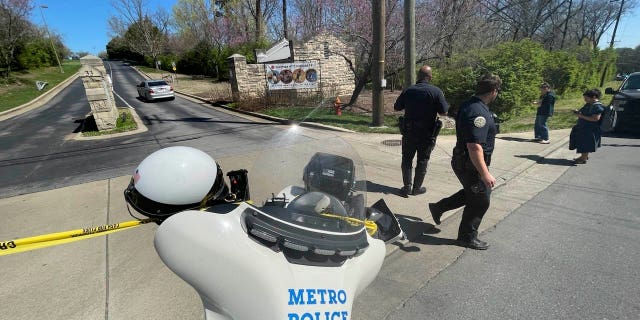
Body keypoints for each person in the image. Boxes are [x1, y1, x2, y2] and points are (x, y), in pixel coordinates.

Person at [428, 74, 502, 250]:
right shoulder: (478, 112)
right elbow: (474, 146)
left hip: (466, 161)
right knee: (481, 200)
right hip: (470, 163)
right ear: (493, 91)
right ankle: (466, 237)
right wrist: (485, 173)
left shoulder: (471, 104)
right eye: (497, 91)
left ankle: (439, 207)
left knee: (474, 192)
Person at [394, 65, 449, 197]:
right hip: (427, 133)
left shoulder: (409, 90)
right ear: (429, 77)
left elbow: (397, 107)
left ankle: (407, 187)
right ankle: (417, 188)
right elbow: (444, 112)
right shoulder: (436, 91)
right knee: (423, 160)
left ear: (418, 76)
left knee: (407, 159)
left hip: (409, 132)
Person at [571, 89, 605, 164]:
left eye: (586, 98)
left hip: (590, 129)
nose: (585, 100)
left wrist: (580, 116)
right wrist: (578, 112)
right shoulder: (589, 104)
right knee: (583, 142)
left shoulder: (597, 106)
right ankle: (583, 156)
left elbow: (595, 118)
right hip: (584, 128)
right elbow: (584, 112)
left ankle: (583, 158)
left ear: (593, 97)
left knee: (585, 143)